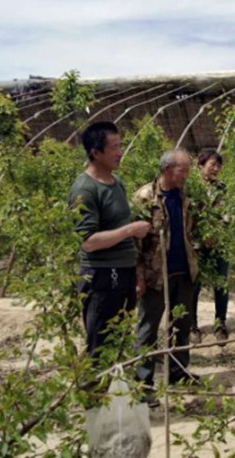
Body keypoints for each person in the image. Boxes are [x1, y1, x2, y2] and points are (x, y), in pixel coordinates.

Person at [69, 121, 151, 357]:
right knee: (101, 345)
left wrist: (134, 274)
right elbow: (88, 242)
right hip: (102, 278)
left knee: (120, 340)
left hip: (122, 273)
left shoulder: (117, 184)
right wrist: (131, 230)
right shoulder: (85, 190)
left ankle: (115, 392)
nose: (120, 152)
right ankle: (94, 392)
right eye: (114, 147)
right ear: (95, 153)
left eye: (120, 145)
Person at [133, 148, 199, 391]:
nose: (186, 176)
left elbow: (190, 229)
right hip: (155, 276)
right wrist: (138, 278)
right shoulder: (145, 197)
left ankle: (178, 373)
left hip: (183, 273)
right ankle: (143, 383)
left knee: (181, 325)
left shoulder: (184, 195)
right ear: (167, 170)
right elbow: (135, 246)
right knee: (148, 330)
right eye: (183, 171)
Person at [189, 150, 229, 343]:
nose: (216, 169)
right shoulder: (191, 188)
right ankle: (192, 325)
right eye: (212, 164)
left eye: (218, 166)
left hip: (218, 243)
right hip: (196, 244)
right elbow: (188, 217)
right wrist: (200, 235)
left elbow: (227, 214)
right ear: (201, 165)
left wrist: (216, 234)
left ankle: (220, 323)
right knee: (194, 285)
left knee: (221, 284)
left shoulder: (222, 187)